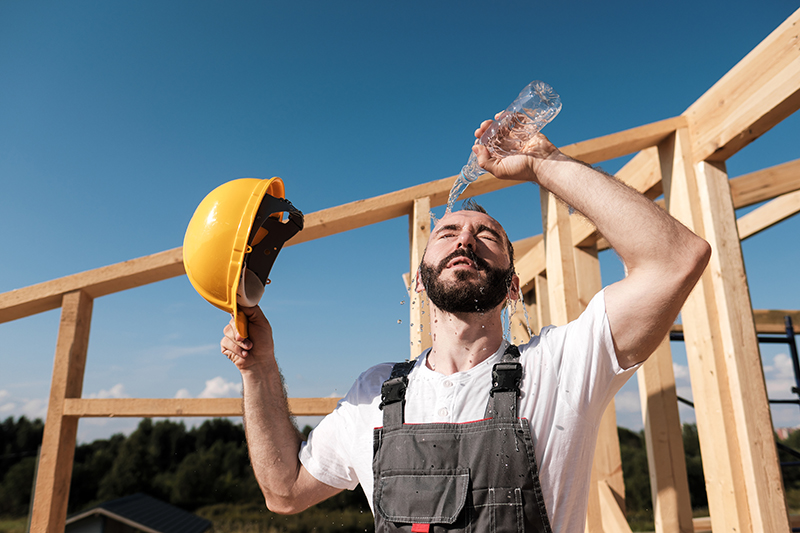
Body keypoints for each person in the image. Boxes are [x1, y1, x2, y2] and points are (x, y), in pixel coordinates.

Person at [219, 117, 711, 532]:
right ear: (417, 283)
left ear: (513, 286)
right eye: (448, 231)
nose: (466, 239)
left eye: (487, 236)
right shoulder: (373, 393)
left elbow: (675, 259)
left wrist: (543, 163)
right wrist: (259, 370)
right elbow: (284, 492)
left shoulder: (559, 367)